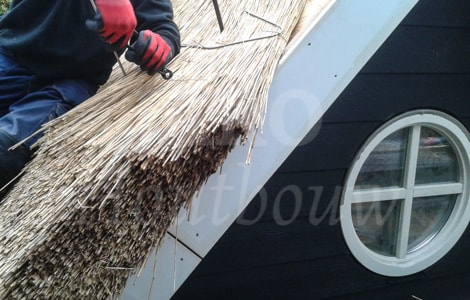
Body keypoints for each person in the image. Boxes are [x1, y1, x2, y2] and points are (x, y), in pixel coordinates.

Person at [0, 0, 181, 187]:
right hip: (11, 51)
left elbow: (164, 28)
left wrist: (159, 47)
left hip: (72, 81)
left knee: (5, 150)